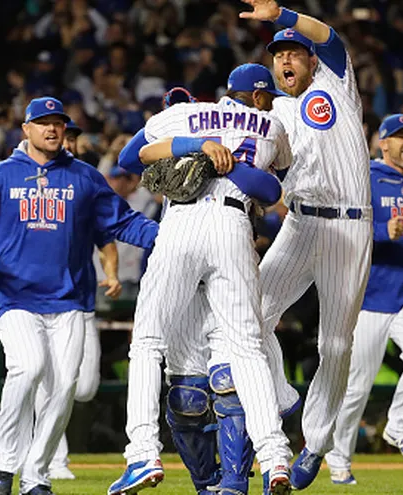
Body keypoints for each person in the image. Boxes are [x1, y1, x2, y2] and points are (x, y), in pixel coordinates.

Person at [0, 96, 159, 495]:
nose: (52, 128)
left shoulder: (85, 177)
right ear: (26, 129)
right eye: (43, 122)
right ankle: (2, 466)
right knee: (28, 367)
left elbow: (124, 222)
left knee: (63, 387)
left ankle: (36, 475)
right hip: (13, 294)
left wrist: (170, 238)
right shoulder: (0, 175)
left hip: (69, 297)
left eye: (58, 122)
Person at [109, 63, 294, 495]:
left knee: (147, 343)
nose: (269, 105)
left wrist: (196, 148)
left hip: (180, 223)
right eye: (268, 97)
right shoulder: (271, 124)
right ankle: (274, 457)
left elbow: (127, 159)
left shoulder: (181, 114)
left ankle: (142, 454)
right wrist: (226, 161)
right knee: (247, 349)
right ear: (260, 96)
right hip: (233, 225)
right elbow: (272, 190)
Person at [238, 2, 374, 488]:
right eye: (279, 56)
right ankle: (280, 396)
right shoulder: (272, 113)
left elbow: (330, 35)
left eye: (294, 53)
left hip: (348, 228)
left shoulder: (335, 84)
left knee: (334, 343)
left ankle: (315, 442)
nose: (285, 60)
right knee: (248, 316)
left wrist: (282, 14)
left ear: (310, 60)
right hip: (299, 224)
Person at [324, 114, 403, 484]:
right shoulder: (364, 177)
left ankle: (399, 424)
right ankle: (339, 457)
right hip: (369, 296)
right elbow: (343, 227)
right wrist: (382, 231)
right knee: (356, 386)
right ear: (383, 143)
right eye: (400, 136)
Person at [38, 120, 123, 481]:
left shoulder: (84, 184)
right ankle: (51, 458)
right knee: (48, 379)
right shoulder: (33, 182)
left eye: (72, 137)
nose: (68, 142)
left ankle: (40, 436)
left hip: (81, 301)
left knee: (84, 387)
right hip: (41, 302)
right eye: (65, 136)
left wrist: (112, 273)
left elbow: (106, 238)